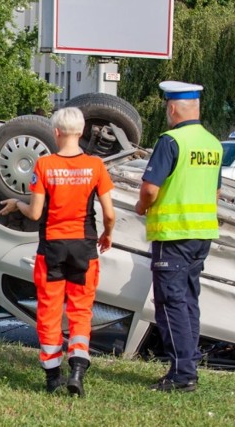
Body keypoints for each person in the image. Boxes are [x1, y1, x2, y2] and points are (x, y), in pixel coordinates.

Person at [0, 107, 115, 396]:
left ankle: (53, 377)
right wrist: (107, 234)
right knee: (81, 311)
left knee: (49, 312)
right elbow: (109, 214)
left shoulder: (45, 165)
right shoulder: (96, 166)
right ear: (82, 131)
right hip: (85, 247)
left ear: (56, 133)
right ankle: (77, 369)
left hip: (51, 247)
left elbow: (36, 213)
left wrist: (17, 203)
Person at [135, 81, 222, 393]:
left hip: (174, 235)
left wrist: (141, 206)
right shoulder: (213, 144)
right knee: (188, 302)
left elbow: (149, 188)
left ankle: (182, 374)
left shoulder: (171, 140)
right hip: (202, 234)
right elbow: (215, 191)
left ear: (172, 108)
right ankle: (188, 365)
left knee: (170, 303)